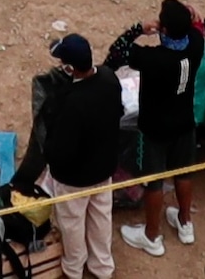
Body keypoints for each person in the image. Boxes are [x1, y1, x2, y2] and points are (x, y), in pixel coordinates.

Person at [10, 24, 123, 279]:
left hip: (74, 179)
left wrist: (47, 150)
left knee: (72, 224)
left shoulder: (72, 103)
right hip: (104, 171)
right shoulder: (108, 78)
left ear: (70, 68)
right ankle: (102, 268)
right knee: (100, 218)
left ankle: (73, 268)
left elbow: (60, 151)